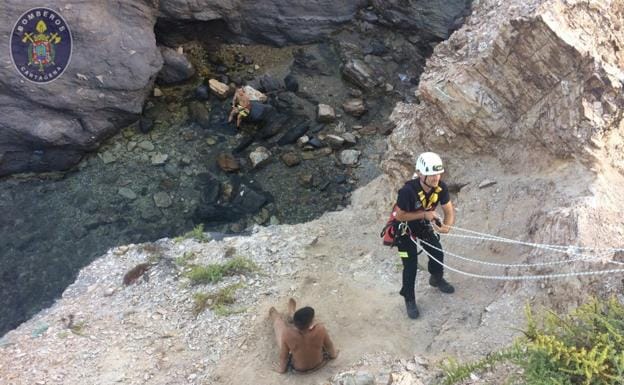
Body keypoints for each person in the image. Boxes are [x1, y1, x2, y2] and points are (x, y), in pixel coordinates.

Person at [393, 152, 455, 319]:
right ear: (421, 174)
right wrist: (424, 215)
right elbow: (399, 216)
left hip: (422, 226)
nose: (435, 177)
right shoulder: (407, 191)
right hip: (404, 229)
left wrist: (447, 226)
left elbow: (448, 209)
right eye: (431, 174)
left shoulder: (440, 187)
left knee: (437, 252)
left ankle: (436, 278)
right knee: (410, 265)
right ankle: (409, 298)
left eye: (438, 173)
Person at [269, 298, 338, 373]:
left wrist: (281, 369)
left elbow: (284, 356)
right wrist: (333, 355)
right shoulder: (320, 329)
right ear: (311, 322)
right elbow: (329, 346)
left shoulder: (288, 334)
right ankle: (292, 313)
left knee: (278, 324)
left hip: (299, 369)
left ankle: (275, 315)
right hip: (319, 364)